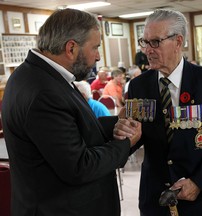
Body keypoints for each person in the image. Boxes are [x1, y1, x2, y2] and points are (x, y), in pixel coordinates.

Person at [1, 8, 141, 216]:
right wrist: (125, 142)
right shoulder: (43, 91)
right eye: (95, 48)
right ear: (71, 48)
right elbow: (78, 167)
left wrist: (116, 122)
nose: (98, 56)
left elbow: (71, 129)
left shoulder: (39, 75)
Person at [116, 9, 202, 216]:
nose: (147, 50)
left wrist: (199, 183)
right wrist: (123, 134)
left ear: (178, 41)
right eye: (144, 42)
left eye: (155, 42)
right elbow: (134, 139)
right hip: (156, 200)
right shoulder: (138, 86)